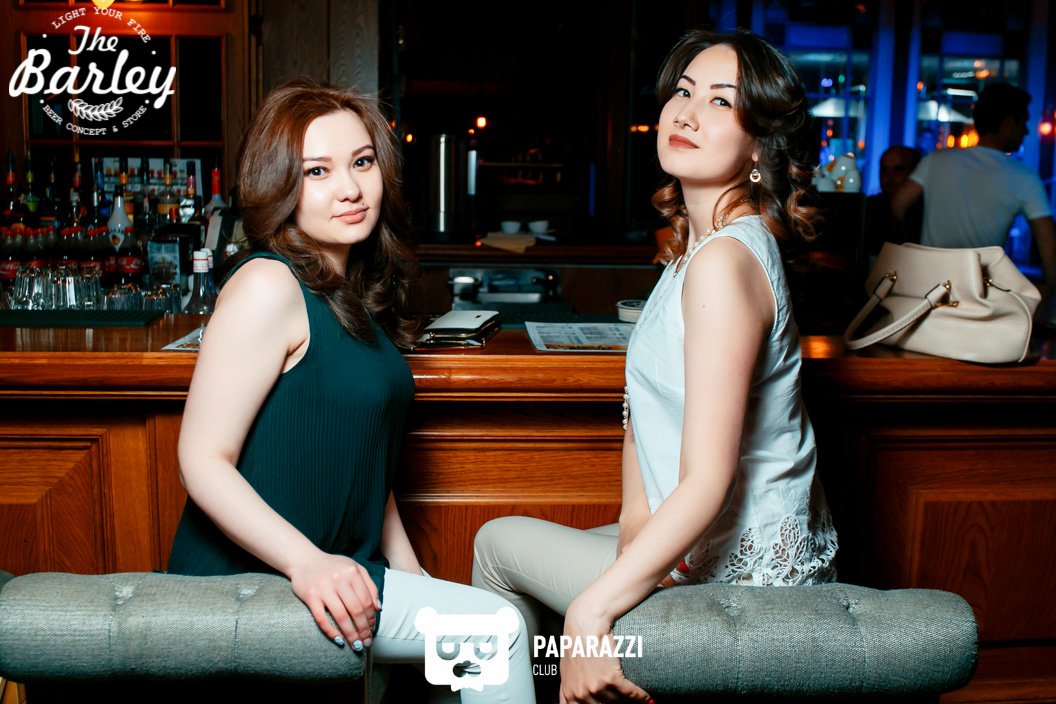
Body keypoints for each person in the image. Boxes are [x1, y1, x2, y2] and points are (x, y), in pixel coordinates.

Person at [472, 29, 838, 703]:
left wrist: (591, 612)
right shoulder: (693, 250)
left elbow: (710, 479)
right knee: (582, 554)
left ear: (759, 146)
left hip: (742, 580)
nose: (687, 113)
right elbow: (642, 411)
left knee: (496, 545)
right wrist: (637, 526)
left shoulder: (723, 262)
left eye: (721, 101)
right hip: (704, 544)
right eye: (683, 92)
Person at [167, 78, 534, 703]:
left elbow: (366, 456)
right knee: (495, 630)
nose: (351, 188)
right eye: (318, 171)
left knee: (459, 658)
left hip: (341, 569)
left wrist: (410, 571)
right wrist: (306, 563)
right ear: (281, 185)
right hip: (253, 578)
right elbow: (201, 460)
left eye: (362, 162)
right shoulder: (268, 284)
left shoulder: (353, 296)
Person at [892, 83, 1056, 297]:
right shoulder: (1024, 177)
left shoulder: (936, 160)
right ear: (1008, 124)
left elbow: (898, 205)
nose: (1026, 131)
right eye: (1023, 122)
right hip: (977, 291)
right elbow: (1048, 243)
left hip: (926, 286)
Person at [863, 145, 922, 257]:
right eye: (884, 169)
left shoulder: (927, 212)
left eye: (898, 169)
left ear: (915, 172)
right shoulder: (867, 208)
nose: (889, 177)